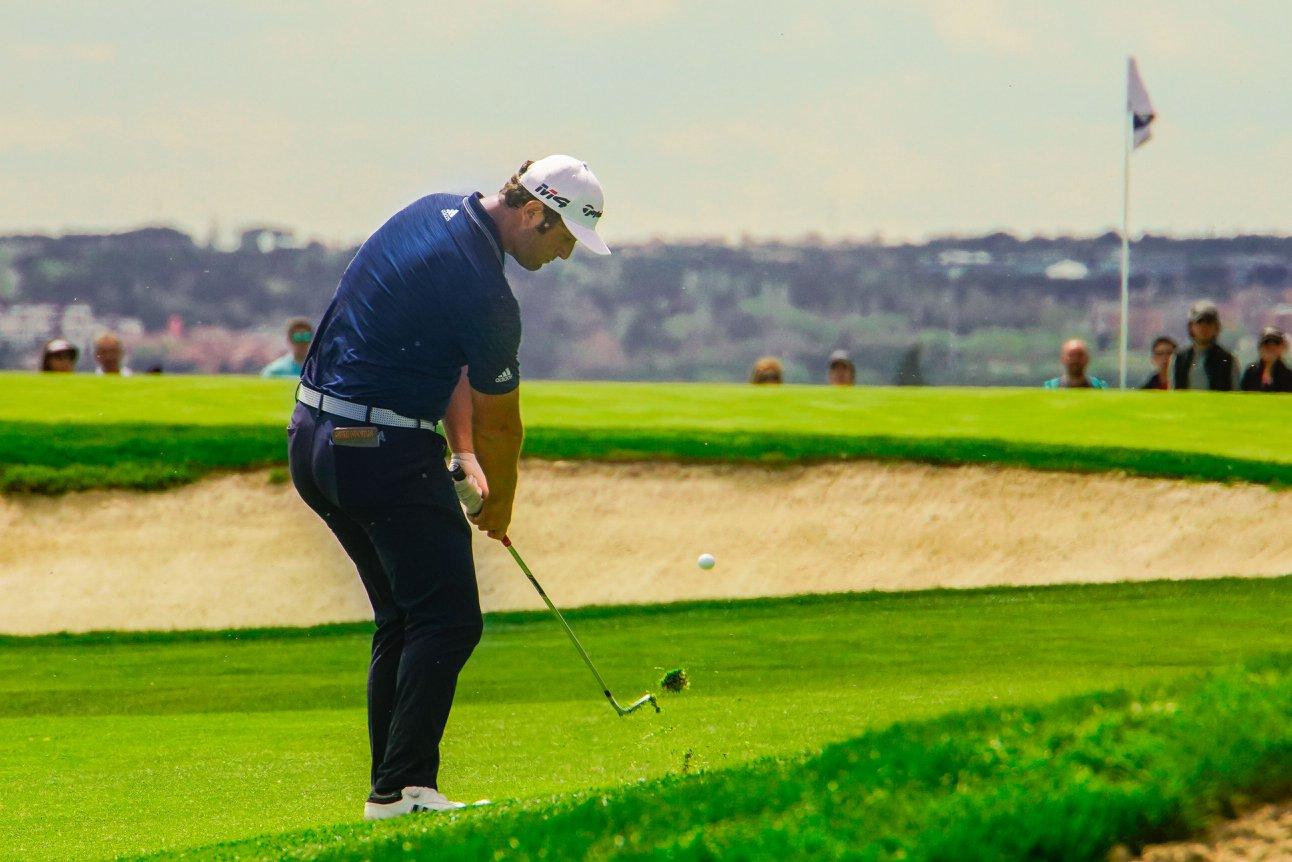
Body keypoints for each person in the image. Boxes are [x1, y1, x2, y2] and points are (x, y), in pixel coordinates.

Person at [288, 155, 609, 821]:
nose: (568, 255)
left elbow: (445, 359)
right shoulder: (487, 295)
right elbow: (504, 421)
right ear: (533, 213)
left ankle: (393, 790)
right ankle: (403, 789)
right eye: (564, 237)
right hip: (380, 454)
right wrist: (501, 502)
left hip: (314, 441)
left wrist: (459, 451)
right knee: (449, 619)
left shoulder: (429, 213)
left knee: (406, 617)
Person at [1173, 300, 1237, 391]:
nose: (1204, 327)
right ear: (1191, 327)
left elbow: (1235, 393)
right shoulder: (1179, 358)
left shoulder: (1228, 359)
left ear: (1217, 327)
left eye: (1209, 322)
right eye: (1199, 322)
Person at [1240, 327, 1292, 392]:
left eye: (1276, 344)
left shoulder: (1288, 375)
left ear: (1282, 348)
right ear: (1260, 348)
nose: (1271, 347)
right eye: (1266, 344)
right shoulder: (1251, 372)